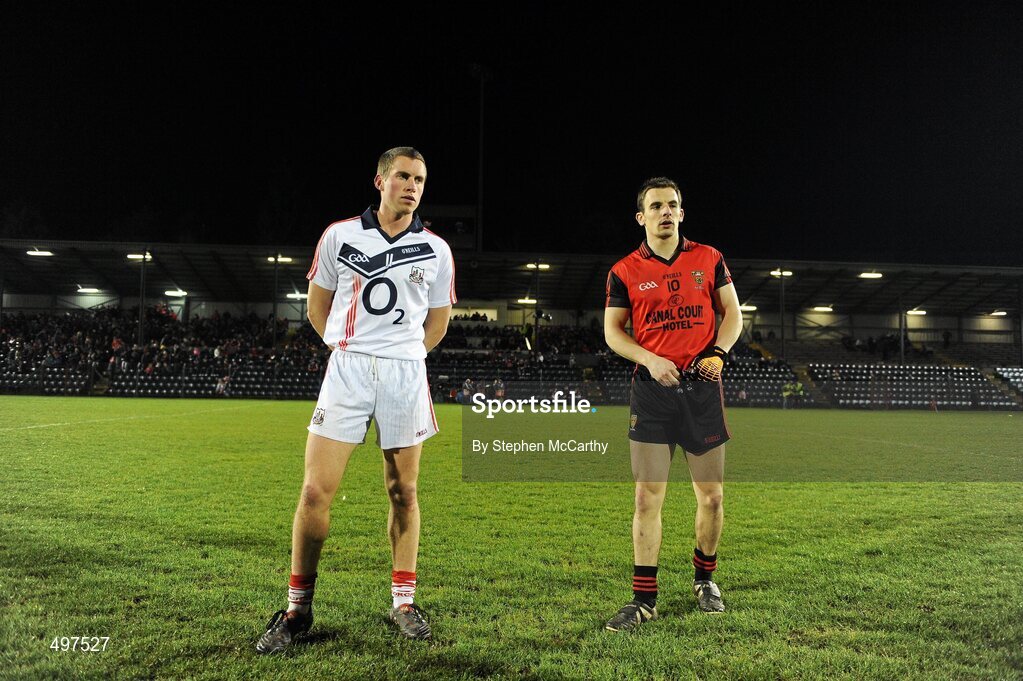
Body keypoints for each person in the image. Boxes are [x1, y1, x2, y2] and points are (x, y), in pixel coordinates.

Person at [256, 147, 456, 653]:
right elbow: (317, 309)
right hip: (346, 371)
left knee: (403, 492)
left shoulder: (437, 249)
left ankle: (404, 602)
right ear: (380, 180)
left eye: (421, 180)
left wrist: (403, 355)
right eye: (404, 177)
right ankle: (297, 610)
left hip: (405, 374)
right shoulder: (340, 236)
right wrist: (350, 350)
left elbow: (437, 322)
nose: (412, 186)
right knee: (314, 493)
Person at [603, 177, 742, 631]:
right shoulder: (624, 270)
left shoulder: (709, 258)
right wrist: (649, 358)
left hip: (701, 391)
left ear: (682, 213)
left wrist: (717, 354)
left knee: (713, 496)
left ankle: (705, 579)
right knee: (646, 497)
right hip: (652, 392)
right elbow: (613, 332)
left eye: (673, 205)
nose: (666, 212)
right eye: (656, 206)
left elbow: (733, 315)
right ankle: (644, 600)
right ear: (641, 217)